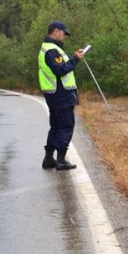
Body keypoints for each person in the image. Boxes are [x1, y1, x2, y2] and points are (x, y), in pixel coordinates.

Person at [38, 21, 85, 170]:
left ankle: (49, 159)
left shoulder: (48, 48)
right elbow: (61, 70)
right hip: (61, 94)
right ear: (56, 31)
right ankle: (61, 160)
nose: (64, 36)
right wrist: (75, 59)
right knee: (65, 125)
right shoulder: (52, 50)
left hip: (53, 93)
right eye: (64, 33)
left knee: (56, 126)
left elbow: (59, 67)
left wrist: (74, 57)